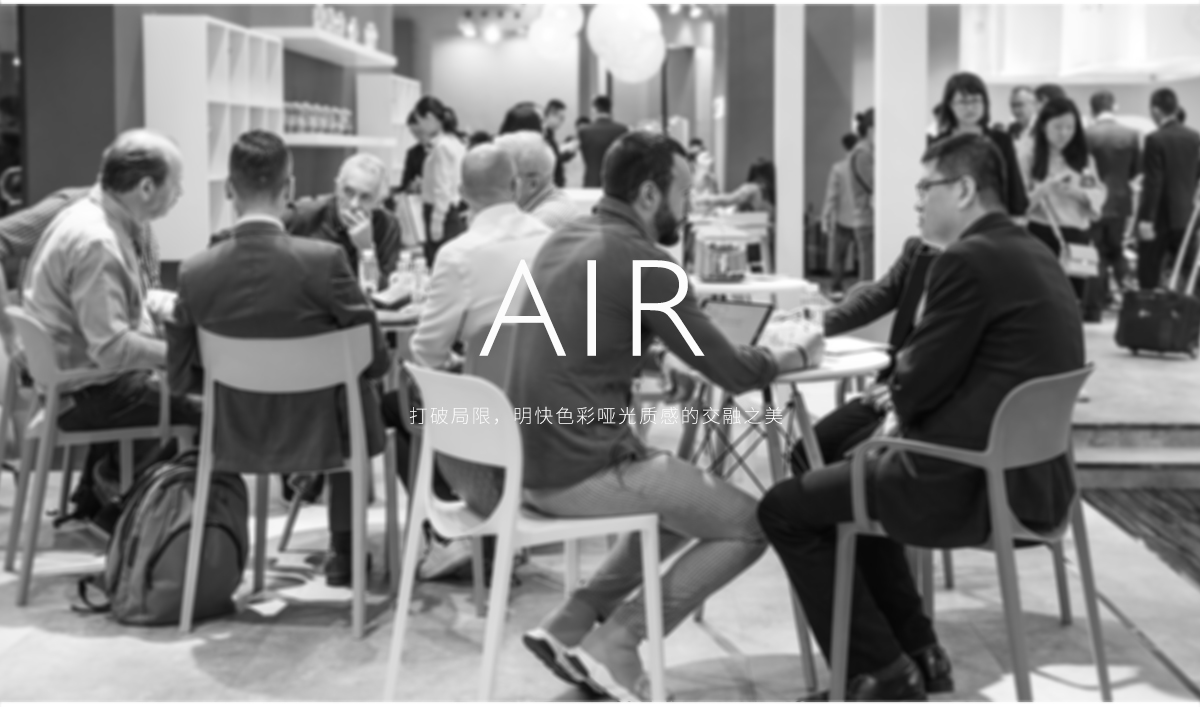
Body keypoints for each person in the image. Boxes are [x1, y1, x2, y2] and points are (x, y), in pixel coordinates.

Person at [759, 132, 1084, 701]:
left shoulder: (967, 259)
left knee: (783, 509)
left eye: (924, 187)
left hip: (965, 481)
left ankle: (881, 671)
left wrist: (897, 396)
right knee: (843, 466)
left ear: (963, 189)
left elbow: (913, 384)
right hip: (1034, 481)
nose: (916, 200)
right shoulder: (1034, 250)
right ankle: (916, 652)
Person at [510, 131, 818, 701]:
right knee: (751, 524)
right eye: (685, 190)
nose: (690, 203)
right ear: (650, 194)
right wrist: (795, 353)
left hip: (526, 463)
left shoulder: (564, 238)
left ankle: (572, 622)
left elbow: (588, 334)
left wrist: (657, 357)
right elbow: (734, 371)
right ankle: (620, 640)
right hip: (579, 471)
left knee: (686, 499)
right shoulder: (647, 262)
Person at [166, 130, 390, 587]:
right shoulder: (325, 261)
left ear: (229, 190)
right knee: (354, 396)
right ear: (289, 188)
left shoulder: (195, 271)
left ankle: (213, 555)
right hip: (323, 429)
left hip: (235, 428)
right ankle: (345, 551)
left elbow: (180, 375)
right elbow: (375, 359)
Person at [22, 129, 200, 528]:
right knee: (212, 408)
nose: (180, 193)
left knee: (176, 384)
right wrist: (182, 353)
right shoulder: (98, 241)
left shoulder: (89, 215)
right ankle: (133, 516)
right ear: (147, 187)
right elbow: (112, 348)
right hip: (88, 392)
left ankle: (104, 493)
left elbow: (112, 310)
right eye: (176, 183)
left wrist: (163, 306)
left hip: (72, 383)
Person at [792, 234, 939, 473]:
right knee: (806, 452)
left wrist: (904, 392)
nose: (919, 213)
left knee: (844, 460)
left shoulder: (977, 268)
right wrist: (812, 324)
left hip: (922, 401)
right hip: (888, 391)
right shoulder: (919, 250)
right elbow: (877, 297)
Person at [0, 186, 166, 357]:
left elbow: (148, 300)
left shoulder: (144, 229)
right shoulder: (70, 210)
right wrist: (11, 335)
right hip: (65, 356)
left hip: (115, 353)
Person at [1022, 97, 1108, 315]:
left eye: (1070, 127)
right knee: (1040, 299)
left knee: (1072, 300)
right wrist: (1046, 187)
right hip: (1041, 233)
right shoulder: (1029, 156)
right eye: (1058, 127)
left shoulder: (1084, 159)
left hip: (1077, 235)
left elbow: (1096, 195)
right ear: (1043, 126)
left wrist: (1077, 193)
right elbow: (1020, 203)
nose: (1064, 133)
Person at [931, 72, 1028, 218]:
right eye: (963, 102)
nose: (970, 108)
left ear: (985, 103)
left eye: (976, 100)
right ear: (950, 105)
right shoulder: (939, 144)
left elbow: (1014, 185)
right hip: (952, 218)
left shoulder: (1001, 140)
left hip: (992, 217)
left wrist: (1017, 215)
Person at [1135, 88, 1200, 291]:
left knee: (1149, 270)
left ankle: (1149, 306)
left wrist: (1146, 219)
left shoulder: (1155, 139)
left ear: (1155, 110)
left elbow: (1154, 182)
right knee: (1189, 269)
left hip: (1160, 217)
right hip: (1187, 215)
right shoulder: (1195, 137)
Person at [1085, 90, 1140, 308]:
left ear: (1092, 109)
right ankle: (1132, 303)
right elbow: (1136, 170)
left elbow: (1083, 171)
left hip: (1094, 202)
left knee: (1095, 252)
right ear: (1114, 106)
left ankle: (1094, 307)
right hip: (1120, 201)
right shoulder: (1131, 134)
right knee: (1117, 252)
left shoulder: (1087, 135)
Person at [493, 130, 585, 232]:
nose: (492, 183)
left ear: (532, 184)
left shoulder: (543, 221)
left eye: (502, 175)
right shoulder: (538, 208)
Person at [414, 96, 469, 266]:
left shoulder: (442, 146)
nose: (420, 127)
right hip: (452, 208)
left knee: (439, 263)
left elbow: (442, 186)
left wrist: (437, 220)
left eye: (419, 121)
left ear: (429, 117)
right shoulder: (455, 142)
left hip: (441, 211)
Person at [823, 133, 867, 295]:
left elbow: (831, 195)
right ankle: (864, 288)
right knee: (864, 257)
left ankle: (836, 289)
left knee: (838, 256)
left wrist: (826, 217)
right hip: (862, 217)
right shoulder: (865, 165)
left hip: (843, 219)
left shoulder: (838, 168)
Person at [847, 109, 876, 281]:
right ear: (871, 129)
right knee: (868, 273)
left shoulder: (865, 152)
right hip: (867, 219)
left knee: (870, 271)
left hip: (867, 218)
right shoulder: (862, 154)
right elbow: (874, 184)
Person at [577, 95, 628, 188]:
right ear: (610, 109)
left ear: (594, 109)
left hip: (592, 181)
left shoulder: (584, 131)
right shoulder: (622, 130)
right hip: (616, 183)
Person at [544, 98, 576, 188]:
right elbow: (553, 160)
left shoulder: (549, 134)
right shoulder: (544, 135)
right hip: (551, 185)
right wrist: (568, 151)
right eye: (561, 118)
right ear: (551, 114)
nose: (562, 122)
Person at [398, 111, 430, 195]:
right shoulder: (412, 153)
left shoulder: (443, 148)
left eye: (420, 132)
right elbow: (404, 185)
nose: (418, 137)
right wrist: (412, 186)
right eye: (414, 133)